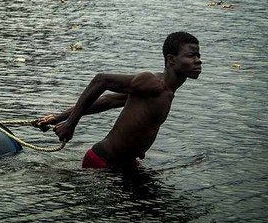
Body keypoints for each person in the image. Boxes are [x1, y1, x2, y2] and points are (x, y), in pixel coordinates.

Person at [39, 32, 202, 169]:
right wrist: (70, 124)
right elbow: (101, 80)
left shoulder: (164, 91)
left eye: (198, 55)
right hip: (102, 163)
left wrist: (58, 118)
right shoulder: (153, 84)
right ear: (171, 59)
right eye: (190, 55)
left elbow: (108, 101)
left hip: (125, 164)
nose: (198, 60)